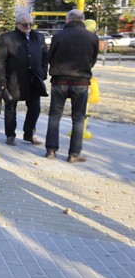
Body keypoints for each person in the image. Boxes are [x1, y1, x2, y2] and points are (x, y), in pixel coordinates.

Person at [44, 10, 99, 163]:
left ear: (68, 20)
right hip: (81, 81)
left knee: (55, 116)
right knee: (78, 119)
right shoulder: (92, 37)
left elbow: (50, 57)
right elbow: (93, 60)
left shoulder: (58, 36)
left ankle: (51, 150)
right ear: (83, 20)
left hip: (60, 80)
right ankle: (74, 154)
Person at [0, 11, 49, 146]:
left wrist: (43, 72)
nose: (29, 27)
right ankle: (10, 135)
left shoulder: (38, 37)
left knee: (35, 108)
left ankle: (29, 134)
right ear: (17, 24)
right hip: (13, 79)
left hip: (34, 79)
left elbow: (45, 56)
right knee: (11, 109)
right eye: (25, 24)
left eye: (31, 24)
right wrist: (1, 82)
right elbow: (1, 62)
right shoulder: (6, 38)